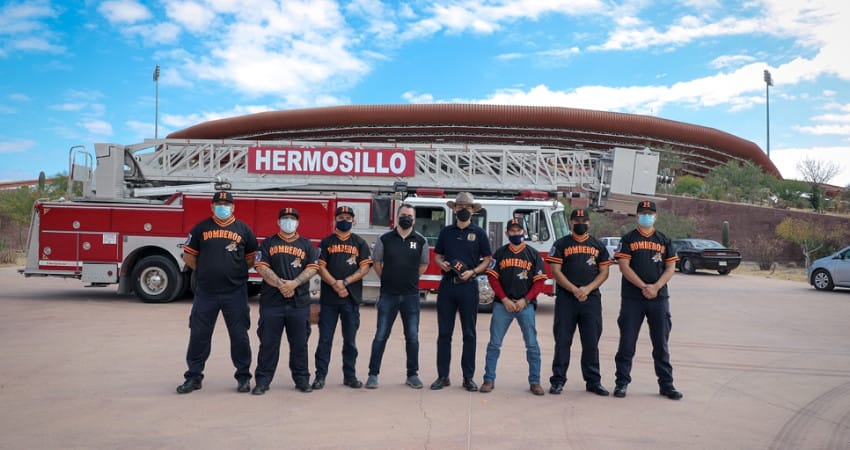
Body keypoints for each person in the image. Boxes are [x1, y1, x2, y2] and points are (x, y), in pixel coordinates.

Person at [176, 191, 258, 394]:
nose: (223, 206)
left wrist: (234, 272)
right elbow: (188, 256)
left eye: (226, 203)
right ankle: (193, 377)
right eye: (218, 203)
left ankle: (243, 377)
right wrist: (206, 271)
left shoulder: (243, 230)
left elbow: (251, 258)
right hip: (207, 292)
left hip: (235, 292)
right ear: (212, 207)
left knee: (239, 336)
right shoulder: (201, 228)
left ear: (233, 207)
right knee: (199, 335)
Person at [613, 200, 683, 400]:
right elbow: (624, 267)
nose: (646, 216)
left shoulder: (664, 240)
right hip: (633, 298)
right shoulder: (628, 239)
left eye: (649, 213)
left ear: (656, 216)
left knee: (661, 343)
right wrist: (644, 286)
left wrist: (656, 287)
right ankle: (622, 383)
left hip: (659, 298)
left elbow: (670, 268)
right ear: (636, 216)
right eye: (642, 213)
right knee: (627, 342)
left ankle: (666, 385)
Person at [251, 207, 319, 395]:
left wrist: (294, 283)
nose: (289, 221)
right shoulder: (268, 243)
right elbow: (261, 266)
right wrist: (282, 284)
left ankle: (302, 379)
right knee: (268, 343)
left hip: (298, 303)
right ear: (278, 221)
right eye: (285, 218)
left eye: (292, 218)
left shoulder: (306, 244)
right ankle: (263, 381)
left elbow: (313, 268)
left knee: (299, 344)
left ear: (298, 222)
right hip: (273, 303)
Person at [546, 208, 613, 396]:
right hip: (567, 298)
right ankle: (558, 380)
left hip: (590, 298)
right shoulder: (561, 244)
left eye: (584, 220)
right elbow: (556, 272)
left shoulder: (598, 245)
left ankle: (593, 381)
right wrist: (574, 289)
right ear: (570, 223)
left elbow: (604, 272)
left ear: (589, 223)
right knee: (562, 341)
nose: (580, 223)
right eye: (576, 220)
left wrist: (587, 289)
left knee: (591, 342)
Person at [431, 192, 492, 392]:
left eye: (467, 207)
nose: (463, 210)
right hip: (448, 285)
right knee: (444, 333)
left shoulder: (480, 233)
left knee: (469, 334)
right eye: (460, 207)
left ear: (472, 210)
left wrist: (473, 272)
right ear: (454, 209)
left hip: (468, 286)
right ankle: (443, 376)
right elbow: (437, 256)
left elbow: (487, 259)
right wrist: (443, 264)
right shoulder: (446, 232)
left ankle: (468, 377)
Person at [365, 203, 429, 389]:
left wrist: (409, 278)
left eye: (409, 215)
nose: (406, 217)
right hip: (388, 295)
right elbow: (377, 262)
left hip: (411, 296)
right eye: (403, 214)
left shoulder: (421, 241)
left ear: (414, 219)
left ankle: (412, 374)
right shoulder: (384, 239)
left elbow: (423, 265)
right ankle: (373, 374)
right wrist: (387, 278)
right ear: (397, 216)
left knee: (412, 337)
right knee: (381, 335)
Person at [480, 218, 548, 395]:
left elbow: (539, 282)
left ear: (523, 232)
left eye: (519, 231)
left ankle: (535, 381)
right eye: (513, 231)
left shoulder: (533, 254)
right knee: (494, 344)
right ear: (507, 233)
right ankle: (489, 379)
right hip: (503, 305)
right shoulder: (500, 253)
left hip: (525, 305)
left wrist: (525, 300)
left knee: (532, 345)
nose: (516, 234)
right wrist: (504, 299)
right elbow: (492, 278)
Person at [312, 206, 373, 390]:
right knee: (324, 340)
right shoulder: (326, 242)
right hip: (330, 300)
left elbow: (364, 268)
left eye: (348, 217)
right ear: (335, 220)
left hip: (351, 299)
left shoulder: (360, 243)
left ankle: (350, 376)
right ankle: (320, 376)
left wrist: (345, 283)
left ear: (353, 220)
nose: (344, 220)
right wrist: (335, 284)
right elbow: (320, 267)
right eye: (341, 217)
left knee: (350, 341)